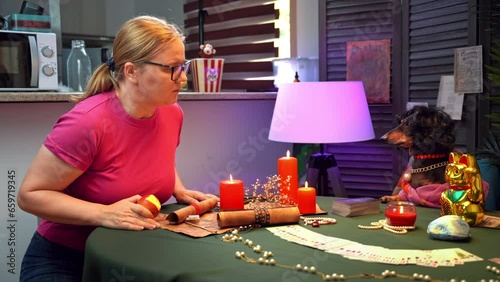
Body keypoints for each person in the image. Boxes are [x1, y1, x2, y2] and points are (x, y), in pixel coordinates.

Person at [17, 15, 216, 282]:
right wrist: (104, 213)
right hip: (65, 258)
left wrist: (176, 187)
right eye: (172, 68)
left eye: (184, 66)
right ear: (132, 71)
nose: (182, 79)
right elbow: (30, 195)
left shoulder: (171, 113)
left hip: (132, 252)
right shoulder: (88, 122)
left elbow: (155, 157)